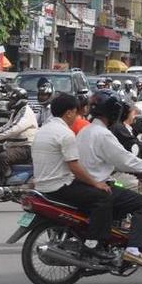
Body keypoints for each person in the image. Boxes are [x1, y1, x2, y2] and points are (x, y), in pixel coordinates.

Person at [77, 90, 142, 268]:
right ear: (114, 111)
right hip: (98, 186)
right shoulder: (104, 135)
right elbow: (125, 159)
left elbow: (106, 160)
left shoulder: (86, 131)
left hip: (84, 185)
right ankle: (133, 250)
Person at [32, 93, 120, 260]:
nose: (78, 116)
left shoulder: (43, 130)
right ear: (69, 113)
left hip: (41, 186)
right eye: (76, 112)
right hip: (60, 187)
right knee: (103, 197)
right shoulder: (65, 134)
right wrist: (96, 183)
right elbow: (74, 167)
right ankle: (94, 244)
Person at [0, 87, 37, 187]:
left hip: (26, 148)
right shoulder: (17, 112)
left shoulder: (26, 112)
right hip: (14, 145)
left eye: (13, 100)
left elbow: (15, 129)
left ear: (20, 101)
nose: (10, 102)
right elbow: (6, 127)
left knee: (3, 157)